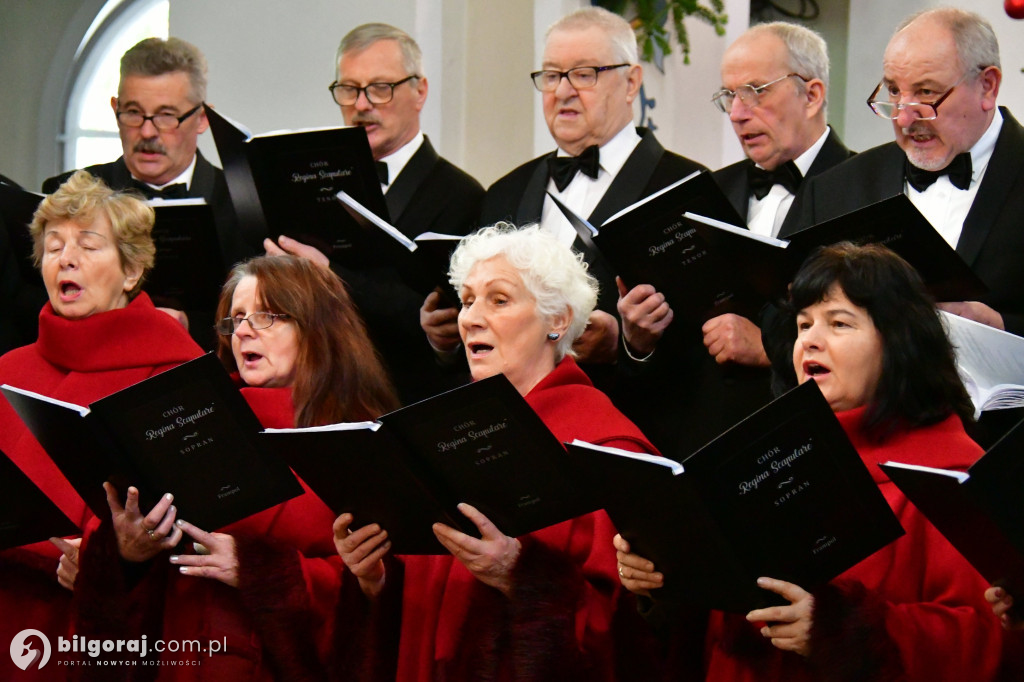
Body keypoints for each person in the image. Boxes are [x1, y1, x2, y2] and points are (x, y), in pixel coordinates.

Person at [615, 242, 1005, 681]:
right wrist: (667, 574)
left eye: (839, 323)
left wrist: (842, 630)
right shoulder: (767, 456)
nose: (810, 341)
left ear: (898, 342)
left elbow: (990, 639)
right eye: (803, 325)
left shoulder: (949, 471)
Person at [333, 224, 659, 680]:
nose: (470, 318)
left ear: (558, 319)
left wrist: (518, 575)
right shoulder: (437, 433)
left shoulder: (607, 446)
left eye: (499, 300)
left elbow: (629, 635)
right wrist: (375, 578)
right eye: (467, 300)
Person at [72, 255, 400, 677]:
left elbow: (384, 593)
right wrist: (127, 550)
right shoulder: (189, 418)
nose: (243, 330)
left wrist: (263, 571)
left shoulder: (361, 438)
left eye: (265, 316)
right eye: (235, 319)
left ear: (317, 328)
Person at [615, 22, 854, 458]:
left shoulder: (864, 187)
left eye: (755, 91)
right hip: (702, 445)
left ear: (813, 94)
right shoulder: (705, 192)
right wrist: (640, 340)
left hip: (815, 446)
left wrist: (773, 349)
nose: (738, 113)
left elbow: (878, 339)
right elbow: (678, 353)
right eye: (729, 97)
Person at [0, 171, 202, 681]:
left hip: (130, 629)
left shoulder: (179, 371)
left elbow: (205, 512)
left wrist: (103, 559)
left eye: (88, 245)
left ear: (132, 270)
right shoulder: (8, 371)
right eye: (53, 246)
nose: (65, 259)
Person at [477, 7, 706, 378]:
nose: (563, 91)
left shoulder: (686, 188)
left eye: (584, 74)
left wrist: (627, 347)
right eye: (551, 76)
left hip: (632, 420)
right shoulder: (504, 192)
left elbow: (712, 340)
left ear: (631, 83)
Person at [267, 23, 483, 404]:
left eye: (380, 88)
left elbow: (433, 318)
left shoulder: (463, 195)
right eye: (348, 89)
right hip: (320, 397)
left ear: (420, 91)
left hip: (412, 401)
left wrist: (329, 276)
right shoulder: (311, 181)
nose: (362, 104)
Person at [790, 8, 1022, 337]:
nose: (903, 119)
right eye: (894, 92)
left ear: (987, 86)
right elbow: (781, 317)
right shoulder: (833, 190)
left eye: (926, 92)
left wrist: (1000, 327)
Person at [43, 37, 256, 348]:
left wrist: (191, 327)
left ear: (202, 119)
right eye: (133, 113)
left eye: (166, 116)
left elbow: (262, 318)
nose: (146, 132)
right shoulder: (66, 195)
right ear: (115, 109)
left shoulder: (245, 202)